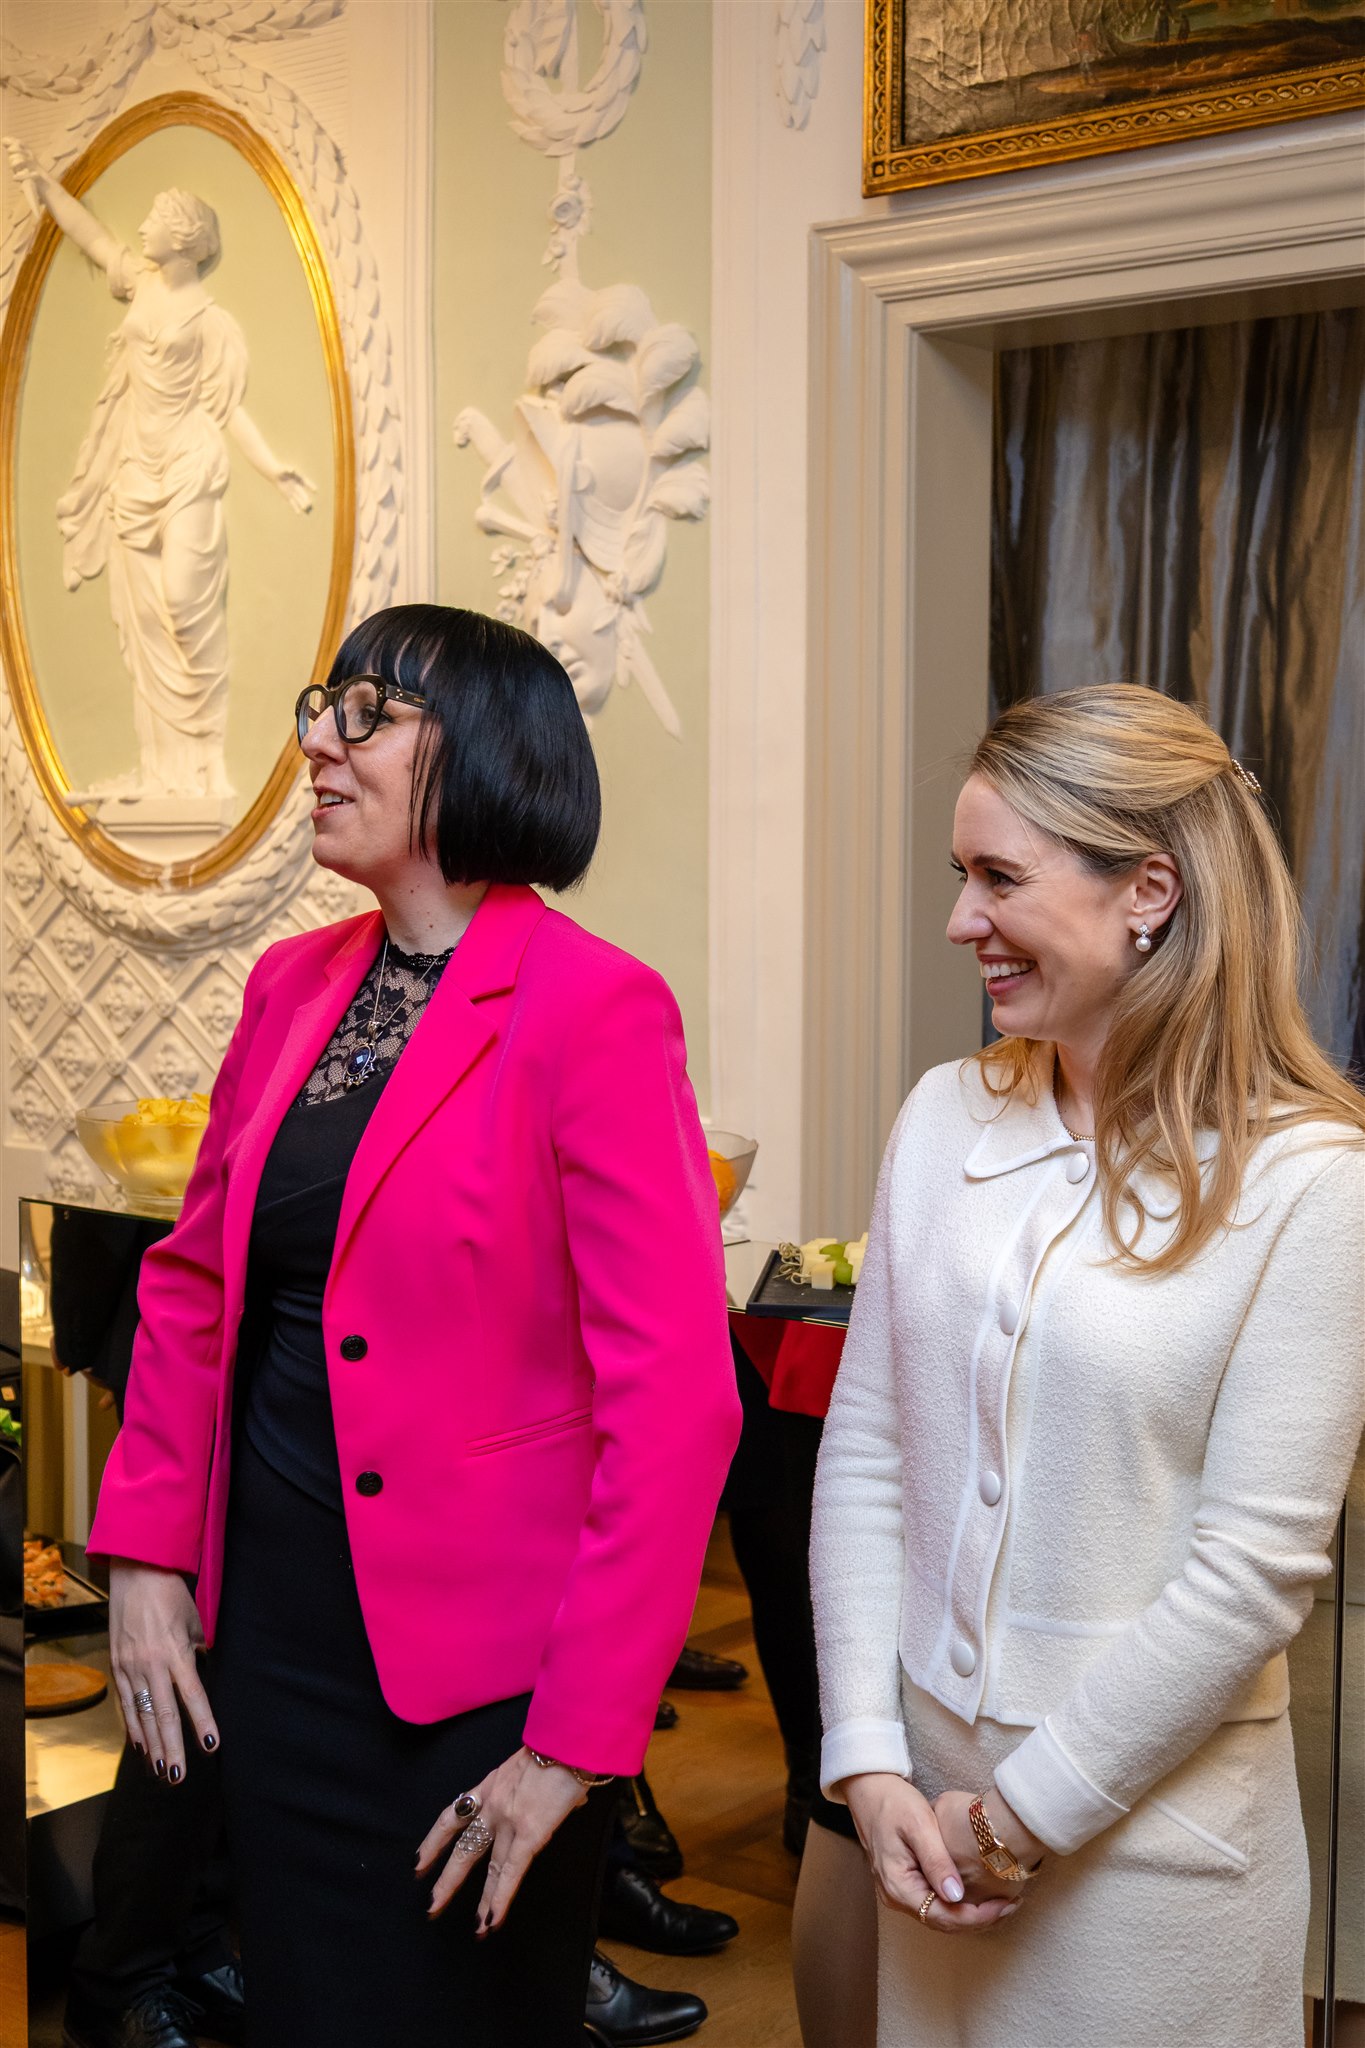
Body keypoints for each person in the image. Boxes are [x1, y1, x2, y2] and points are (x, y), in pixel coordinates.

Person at [86, 603, 741, 2048]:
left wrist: (575, 1748)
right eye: (324, 705)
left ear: (491, 752)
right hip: (271, 1643)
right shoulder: (290, 988)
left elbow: (677, 1405)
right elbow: (194, 1285)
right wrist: (142, 1554)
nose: (317, 738)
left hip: (476, 1688)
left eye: (367, 712)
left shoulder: (596, 1010)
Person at [810, 684, 1365, 2047]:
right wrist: (869, 1763)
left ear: (1150, 894)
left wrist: (1020, 1817)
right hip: (926, 1835)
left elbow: (1250, 1576)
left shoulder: (1312, 1183)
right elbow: (871, 1448)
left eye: (1000, 877)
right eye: (962, 875)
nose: (960, 921)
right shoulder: (944, 1115)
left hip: (1147, 1865)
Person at [2, 142, 314, 802]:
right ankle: (160, 770)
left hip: (189, 465)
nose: (139, 229)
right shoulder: (140, 284)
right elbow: (91, 236)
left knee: (182, 605)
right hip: (131, 471)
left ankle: (206, 758)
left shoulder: (211, 322)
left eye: (152, 220)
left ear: (180, 238)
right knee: (142, 624)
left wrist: (274, 470)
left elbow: (227, 411)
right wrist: (43, 184)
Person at [47, 1206, 242, 2048]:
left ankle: (192, 1943)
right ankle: (119, 1973)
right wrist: (85, 1327)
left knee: (235, 1669)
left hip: (292, 1348)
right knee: (178, 1670)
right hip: (181, 1341)